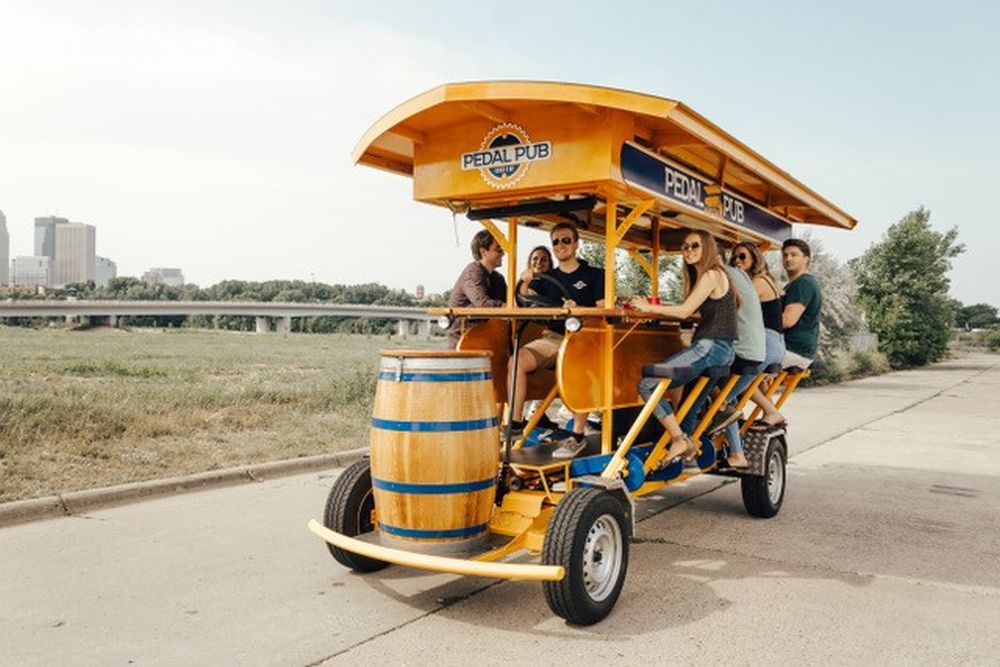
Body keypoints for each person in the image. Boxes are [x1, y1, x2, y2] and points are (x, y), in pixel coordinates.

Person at [629, 229, 737, 464]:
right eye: (685, 246)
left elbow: (686, 311)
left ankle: (678, 439)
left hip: (709, 347)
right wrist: (665, 306)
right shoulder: (713, 276)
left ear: (707, 248)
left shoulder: (711, 275)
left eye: (695, 246)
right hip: (723, 351)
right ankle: (684, 448)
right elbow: (695, 310)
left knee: (647, 384)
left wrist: (647, 307)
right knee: (687, 411)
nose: (688, 250)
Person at [505, 222, 605, 457]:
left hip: (584, 338)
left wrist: (578, 309)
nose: (560, 245)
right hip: (553, 338)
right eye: (556, 241)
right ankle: (516, 423)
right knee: (516, 361)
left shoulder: (594, 275)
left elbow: (602, 310)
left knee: (580, 364)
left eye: (566, 240)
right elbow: (524, 298)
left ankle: (578, 434)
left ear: (576, 244)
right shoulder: (547, 278)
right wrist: (526, 280)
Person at [749, 237, 823, 429]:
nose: (788, 259)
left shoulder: (803, 284)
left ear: (807, 259)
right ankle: (770, 412)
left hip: (793, 350)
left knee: (739, 370)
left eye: (794, 255)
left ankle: (770, 412)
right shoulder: (793, 285)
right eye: (785, 255)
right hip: (792, 348)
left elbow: (787, 320)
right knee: (750, 370)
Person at [446, 229, 507, 349]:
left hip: (486, 337)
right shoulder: (473, 272)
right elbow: (482, 303)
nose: (503, 252)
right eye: (498, 248)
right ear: (483, 252)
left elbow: (510, 301)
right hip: (464, 340)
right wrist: (505, 306)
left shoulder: (498, 278)